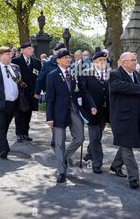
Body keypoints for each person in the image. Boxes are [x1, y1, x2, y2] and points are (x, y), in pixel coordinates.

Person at [109, 52, 140, 189]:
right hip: (122, 117)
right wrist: (139, 88)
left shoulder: (136, 74)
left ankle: (116, 165)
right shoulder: (114, 74)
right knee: (127, 146)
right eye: (132, 60)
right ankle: (134, 177)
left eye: (136, 60)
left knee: (125, 143)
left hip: (136, 116)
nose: (135, 62)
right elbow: (120, 86)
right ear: (123, 62)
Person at [45, 49, 92, 183]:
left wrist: (89, 105)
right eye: (65, 58)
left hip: (74, 110)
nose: (68, 60)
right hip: (58, 112)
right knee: (59, 143)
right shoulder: (52, 75)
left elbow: (80, 91)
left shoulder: (73, 74)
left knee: (80, 138)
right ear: (58, 60)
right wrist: (49, 117)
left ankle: (64, 156)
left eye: (69, 58)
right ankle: (61, 171)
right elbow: (50, 98)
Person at [78, 51, 110, 174]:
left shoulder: (109, 75)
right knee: (95, 137)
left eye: (104, 61)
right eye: (100, 61)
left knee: (98, 135)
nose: (102, 63)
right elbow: (85, 92)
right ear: (94, 62)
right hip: (92, 111)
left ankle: (89, 153)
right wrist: (91, 106)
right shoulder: (86, 74)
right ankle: (97, 163)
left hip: (105, 111)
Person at [12, 42, 42, 142]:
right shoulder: (16, 61)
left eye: (32, 48)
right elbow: (13, 77)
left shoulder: (36, 62)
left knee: (28, 113)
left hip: (31, 93)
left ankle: (25, 133)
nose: (32, 50)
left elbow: (39, 77)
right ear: (23, 50)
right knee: (19, 113)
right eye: (29, 49)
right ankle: (19, 133)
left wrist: (38, 91)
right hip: (20, 92)